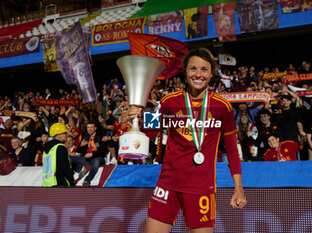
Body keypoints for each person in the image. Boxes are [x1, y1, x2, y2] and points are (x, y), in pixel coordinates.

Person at [129, 47, 246, 233]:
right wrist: (136, 118)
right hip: (167, 184)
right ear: (185, 72)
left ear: (211, 74)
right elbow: (148, 134)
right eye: (193, 69)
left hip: (201, 187)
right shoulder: (168, 102)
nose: (198, 74)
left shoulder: (223, 107)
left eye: (204, 69)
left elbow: (232, 150)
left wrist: (238, 188)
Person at [71, 121, 108, 187]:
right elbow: (78, 150)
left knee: (96, 162)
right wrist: (81, 146)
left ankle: (87, 180)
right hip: (87, 159)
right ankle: (80, 170)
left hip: (98, 158)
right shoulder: (85, 136)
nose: (89, 129)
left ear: (95, 128)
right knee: (70, 158)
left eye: (91, 127)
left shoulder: (100, 136)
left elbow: (104, 151)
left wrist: (92, 154)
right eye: (88, 127)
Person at [42, 123, 75, 187]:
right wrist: (71, 180)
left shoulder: (46, 149)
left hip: (47, 183)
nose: (66, 135)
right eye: (64, 133)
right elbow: (65, 166)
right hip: (60, 182)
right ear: (58, 135)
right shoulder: (60, 147)